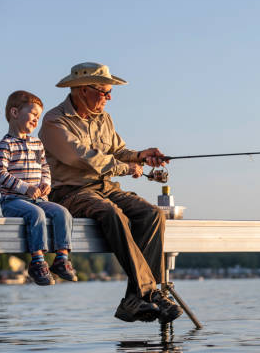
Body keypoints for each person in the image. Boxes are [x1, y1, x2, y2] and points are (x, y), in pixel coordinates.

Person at [39, 62, 183, 324]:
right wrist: (126, 167)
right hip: (71, 192)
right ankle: (151, 293)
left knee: (151, 214)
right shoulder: (54, 121)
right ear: (83, 90)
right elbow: (83, 158)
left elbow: (117, 151)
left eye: (109, 92)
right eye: (104, 91)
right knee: (112, 213)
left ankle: (134, 300)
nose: (109, 97)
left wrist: (140, 156)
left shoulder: (104, 119)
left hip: (105, 188)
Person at [0, 90, 77, 286]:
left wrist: (45, 183)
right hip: (13, 201)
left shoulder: (37, 143)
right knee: (36, 215)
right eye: (33, 114)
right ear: (15, 113)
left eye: (38, 117)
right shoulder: (5, 145)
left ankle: (61, 259)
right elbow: (0, 174)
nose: (36, 120)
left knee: (62, 213)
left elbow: (45, 167)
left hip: (38, 199)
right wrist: (25, 188)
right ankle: (38, 262)